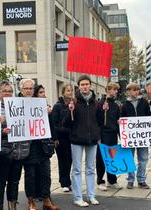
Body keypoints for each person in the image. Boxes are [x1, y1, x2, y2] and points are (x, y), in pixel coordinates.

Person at [20, 80, 59, 210]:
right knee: (30, 176)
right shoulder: (16, 104)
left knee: (46, 174)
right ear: (21, 90)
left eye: (31, 88)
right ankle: (31, 202)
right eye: (26, 88)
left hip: (42, 146)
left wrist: (48, 113)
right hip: (28, 147)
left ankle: (46, 199)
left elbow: (50, 124)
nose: (29, 90)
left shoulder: (41, 104)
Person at [64, 75, 102, 207]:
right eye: (82, 84)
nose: (85, 86)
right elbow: (66, 123)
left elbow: (100, 121)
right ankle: (78, 197)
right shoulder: (74, 102)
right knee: (77, 169)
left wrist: (105, 111)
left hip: (92, 140)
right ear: (78, 87)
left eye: (87, 84)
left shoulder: (96, 103)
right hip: (77, 140)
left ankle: (91, 195)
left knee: (91, 168)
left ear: (90, 86)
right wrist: (70, 111)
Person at [0, 80, 20, 210]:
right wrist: (1, 129)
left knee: (14, 181)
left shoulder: (18, 106)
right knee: (0, 182)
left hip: (17, 150)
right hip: (0, 151)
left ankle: (12, 207)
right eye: (4, 91)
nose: (7, 93)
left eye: (10, 91)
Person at [121, 83, 151, 190]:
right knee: (130, 158)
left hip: (142, 136)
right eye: (133, 90)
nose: (136, 92)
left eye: (137, 90)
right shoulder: (125, 105)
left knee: (143, 158)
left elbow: (149, 115)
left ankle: (141, 180)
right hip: (130, 137)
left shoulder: (144, 103)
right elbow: (122, 118)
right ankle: (130, 180)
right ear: (128, 91)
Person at [96, 82, 123, 191]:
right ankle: (100, 181)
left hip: (112, 134)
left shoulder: (116, 105)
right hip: (103, 134)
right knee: (101, 158)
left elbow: (117, 120)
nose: (116, 91)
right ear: (108, 90)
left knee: (112, 157)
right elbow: (97, 120)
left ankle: (112, 180)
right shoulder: (100, 103)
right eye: (114, 89)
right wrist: (103, 110)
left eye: (117, 90)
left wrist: (121, 134)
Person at [50, 84, 73, 193]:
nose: (70, 92)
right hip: (61, 137)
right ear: (63, 92)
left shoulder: (73, 104)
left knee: (70, 160)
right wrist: (55, 138)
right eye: (68, 90)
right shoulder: (58, 106)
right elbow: (54, 123)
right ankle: (64, 182)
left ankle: (68, 181)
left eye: (71, 90)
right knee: (63, 160)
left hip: (71, 137)